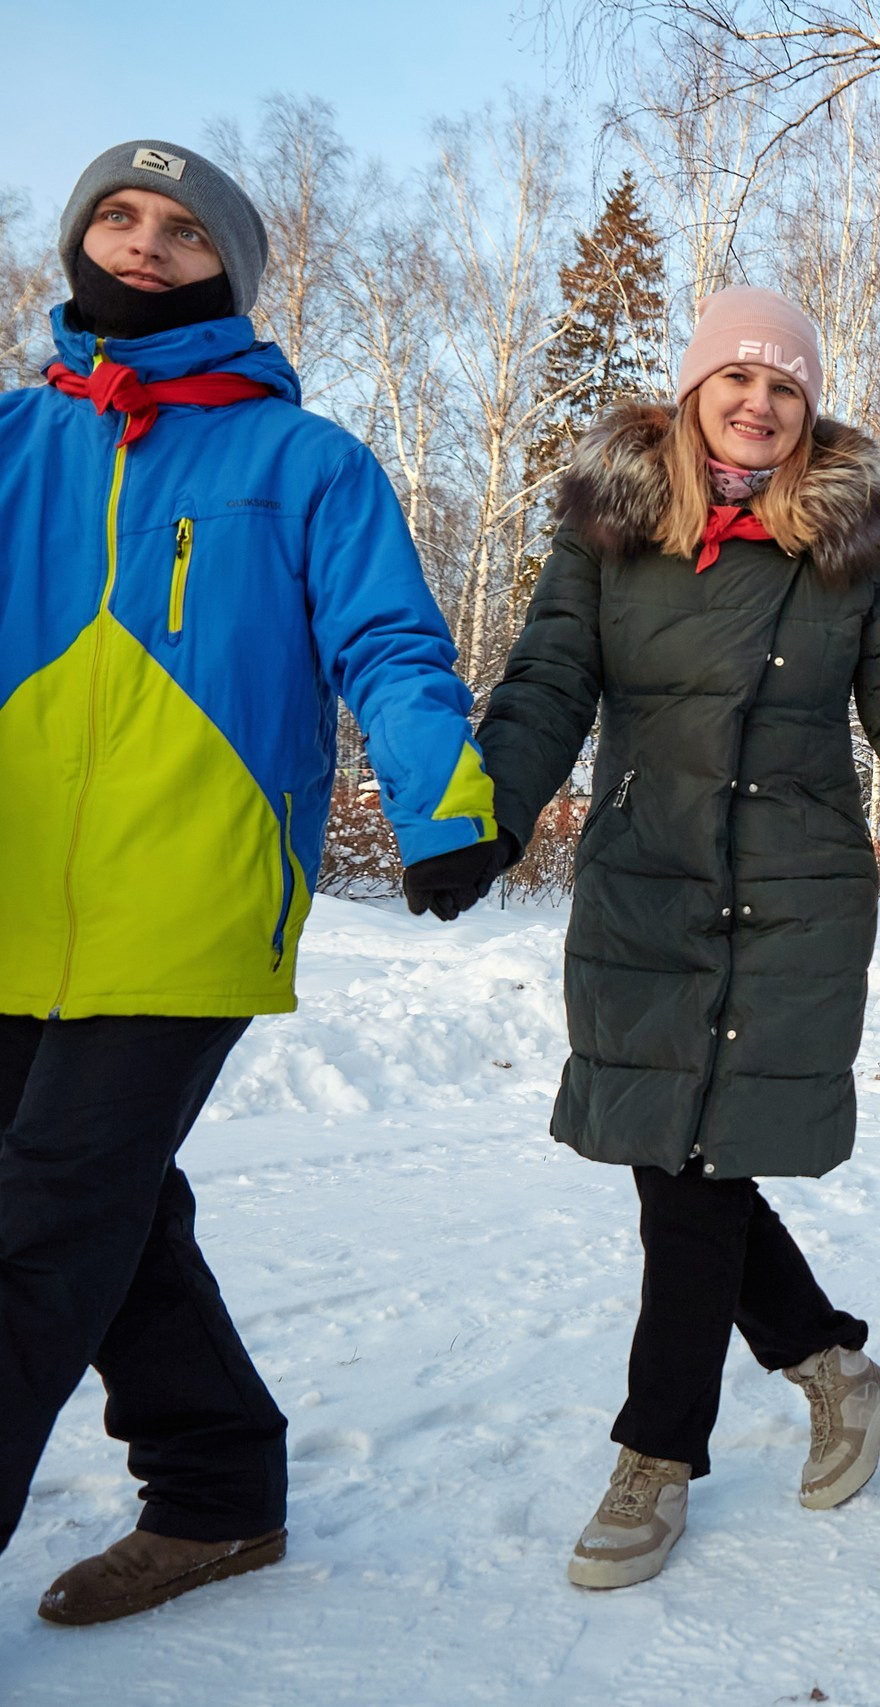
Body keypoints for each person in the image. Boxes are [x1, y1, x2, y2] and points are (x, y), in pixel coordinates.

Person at [474, 286, 880, 1589]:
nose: (759, 402)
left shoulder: (846, 550)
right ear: (692, 393)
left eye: (785, 386)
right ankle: (836, 1368)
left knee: (693, 1176)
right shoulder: (611, 530)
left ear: (809, 410)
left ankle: (655, 1456)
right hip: (648, 887)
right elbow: (547, 684)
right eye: (736, 378)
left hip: (791, 897)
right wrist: (486, 820)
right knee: (678, 1161)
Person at [0, 140, 505, 1624]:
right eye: (120, 214)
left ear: (230, 270)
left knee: (37, 1228)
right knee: (110, 1214)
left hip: (196, 899)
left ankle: (211, 1488)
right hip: (13, 899)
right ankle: (220, 1488)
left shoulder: (305, 464)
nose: (147, 243)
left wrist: (442, 802)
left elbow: (391, 645)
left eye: (185, 229)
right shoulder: (13, 441)